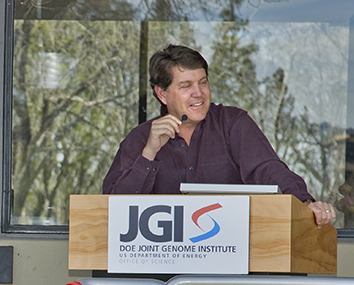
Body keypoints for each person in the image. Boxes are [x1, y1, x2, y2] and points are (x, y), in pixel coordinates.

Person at [102, 45, 337, 227]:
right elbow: (111, 210)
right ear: (162, 94)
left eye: (203, 82)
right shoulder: (139, 139)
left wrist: (305, 203)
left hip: (231, 268)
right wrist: (149, 153)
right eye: (186, 86)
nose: (199, 93)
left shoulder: (233, 123)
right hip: (157, 271)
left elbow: (268, 169)